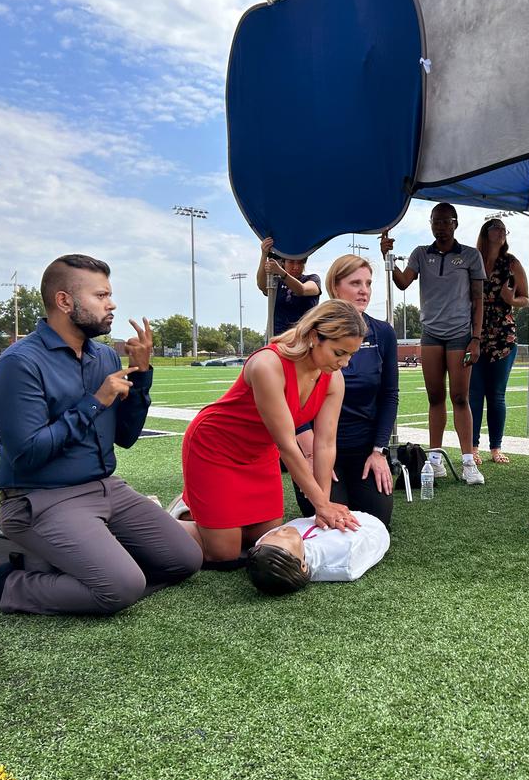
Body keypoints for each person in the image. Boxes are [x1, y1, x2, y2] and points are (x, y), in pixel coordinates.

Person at [0, 254, 202, 614]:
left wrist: (143, 375)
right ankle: (7, 585)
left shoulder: (103, 357)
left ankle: (97, 565)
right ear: (64, 301)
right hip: (40, 498)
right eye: (101, 296)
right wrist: (95, 401)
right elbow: (28, 453)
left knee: (185, 560)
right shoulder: (20, 363)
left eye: (110, 295)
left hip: (105, 487)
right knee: (121, 589)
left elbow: (126, 436)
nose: (112, 304)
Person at [178, 300, 365, 564]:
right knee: (224, 553)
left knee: (262, 540)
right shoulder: (268, 364)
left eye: (350, 355)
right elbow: (288, 445)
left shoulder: (333, 378)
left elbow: (324, 444)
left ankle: (205, 514)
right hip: (215, 446)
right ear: (314, 337)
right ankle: (167, 517)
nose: (345, 363)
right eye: (339, 353)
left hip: (259, 454)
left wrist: (320, 505)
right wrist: (322, 505)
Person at [380, 203, 486, 486]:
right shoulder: (419, 254)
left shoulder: (470, 256)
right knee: (435, 397)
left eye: (445, 221)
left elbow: (478, 300)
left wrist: (476, 338)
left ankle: (468, 462)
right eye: (435, 222)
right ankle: (435, 460)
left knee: (460, 398)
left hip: (460, 333)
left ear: (455, 223)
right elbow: (402, 283)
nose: (440, 226)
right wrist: (387, 255)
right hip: (431, 333)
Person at [292, 255, 399, 526]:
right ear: (335, 287)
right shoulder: (313, 332)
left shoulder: (383, 333)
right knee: (328, 521)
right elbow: (291, 395)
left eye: (368, 283)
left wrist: (379, 451)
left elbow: (389, 395)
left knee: (376, 519)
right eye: (355, 283)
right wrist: (308, 451)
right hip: (317, 446)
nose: (364, 290)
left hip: (363, 449)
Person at [469, 218, 529, 465]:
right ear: (486, 232)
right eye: (496, 228)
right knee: (474, 393)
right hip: (473, 334)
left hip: (503, 335)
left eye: (504, 230)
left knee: (497, 394)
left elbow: (526, 297)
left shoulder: (511, 263)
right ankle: (472, 447)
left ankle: (496, 448)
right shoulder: (473, 260)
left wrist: (511, 299)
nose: (501, 232)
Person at [246, 510, 390, 595]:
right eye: (283, 537)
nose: (280, 530)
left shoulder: (262, 545)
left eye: (273, 535)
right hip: (365, 517)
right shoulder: (347, 554)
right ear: (302, 565)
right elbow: (377, 531)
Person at [256, 237, 321, 335]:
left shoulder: (313, 279)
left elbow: (301, 290)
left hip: (303, 340)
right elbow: (261, 285)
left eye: (300, 262)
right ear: (283, 262)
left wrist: (281, 273)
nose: (296, 267)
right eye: (291, 262)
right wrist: (264, 254)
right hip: (278, 339)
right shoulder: (277, 282)